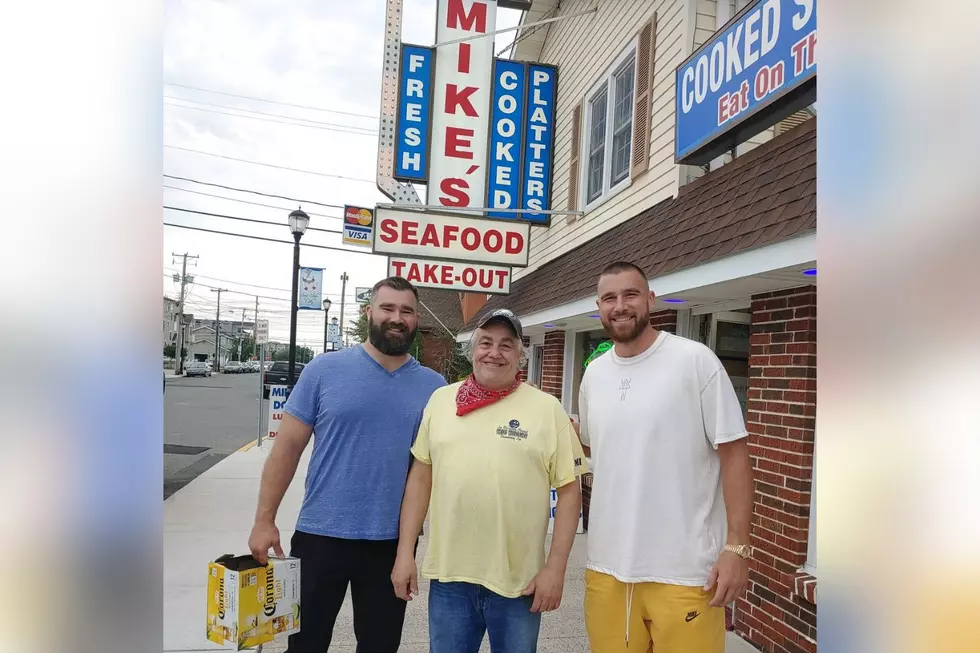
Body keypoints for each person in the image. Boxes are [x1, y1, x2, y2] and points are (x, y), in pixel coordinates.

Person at [247, 276, 447, 653]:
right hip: (320, 536)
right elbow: (286, 449)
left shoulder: (434, 387)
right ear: (369, 312)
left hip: (390, 543)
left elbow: (433, 468)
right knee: (304, 646)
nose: (396, 317)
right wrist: (264, 519)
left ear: (416, 319)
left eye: (406, 311)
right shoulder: (324, 371)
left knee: (380, 646)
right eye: (387, 307)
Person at [578, 261, 754, 653]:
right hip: (606, 568)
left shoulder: (694, 361)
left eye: (631, 294)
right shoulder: (594, 375)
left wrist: (737, 548)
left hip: (686, 571)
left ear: (651, 300)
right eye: (610, 297)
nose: (620, 306)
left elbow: (735, 455)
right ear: (598, 306)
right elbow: (595, 450)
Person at [392, 309, 584, 653]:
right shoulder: (441, 400)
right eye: (486, 343)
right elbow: (421, 477)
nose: (494, 352)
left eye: (506, 345)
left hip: (518, 583)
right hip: (450, 578)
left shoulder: (546, 408)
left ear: (520, 355)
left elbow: (570, 493)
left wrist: (555, 570)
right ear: (472, 349)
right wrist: (405, 553)